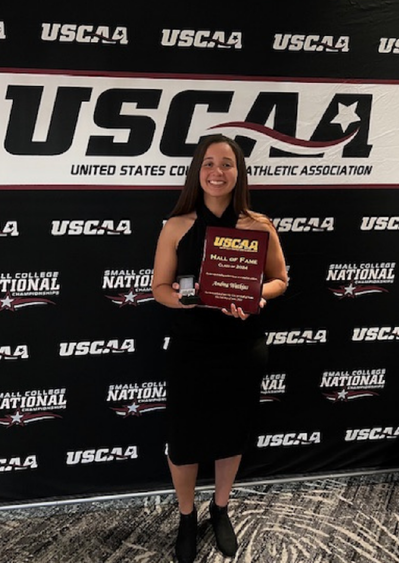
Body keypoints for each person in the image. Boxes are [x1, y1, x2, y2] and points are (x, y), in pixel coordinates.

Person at [152, 134, 288, 562]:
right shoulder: (177, 225)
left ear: (239, 172)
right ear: (197, 171)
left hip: (241, 347)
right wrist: (189, 298)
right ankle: (187, 516)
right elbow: (159, 288)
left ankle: (221, 508)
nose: (217, 172)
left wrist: (258, 297)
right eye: (208, 163)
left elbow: (280, 279)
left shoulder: (258, 224)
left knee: (232, 434)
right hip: (192, 348)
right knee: (185, 439)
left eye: (226, 164)